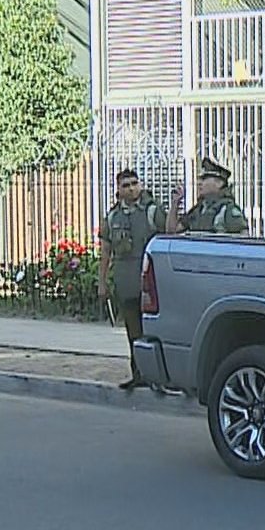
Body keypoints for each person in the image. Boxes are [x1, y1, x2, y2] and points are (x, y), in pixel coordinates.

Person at [99, 168, 172, 392]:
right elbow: (105, 251)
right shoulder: (113, 217)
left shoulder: (152, 211)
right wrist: (102, 282)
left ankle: (160, 377)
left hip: (151, 282)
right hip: (126, 282)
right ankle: (138, 374)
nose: (131, 188)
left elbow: (169, 234)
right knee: (133, 331)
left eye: (134, 183)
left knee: (154, 331)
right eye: (126, 185)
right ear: (118, 190)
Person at [168, 158, 250, 235]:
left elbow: (243, 239)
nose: (199, 183)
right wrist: (175, 202)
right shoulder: (198, 210)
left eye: (204, 179)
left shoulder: (227, 210)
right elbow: (172, 231)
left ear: (219, 183)